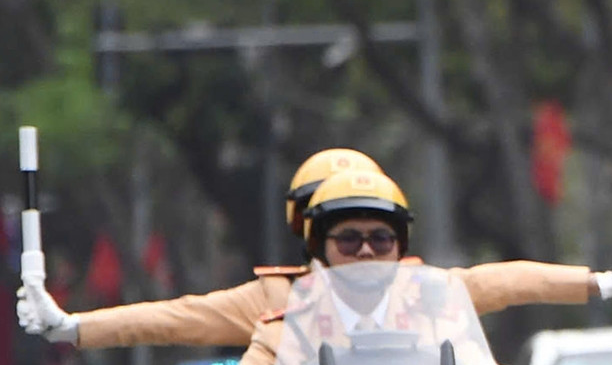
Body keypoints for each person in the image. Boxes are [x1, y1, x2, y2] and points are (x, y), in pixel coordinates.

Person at [209, 169, 612, 365]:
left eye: (381, 240)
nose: (365, 252)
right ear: (317, 249)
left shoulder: (432, 305)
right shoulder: (288, 320)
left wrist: (600, 282)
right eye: (348, 240)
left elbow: (501, 299)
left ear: (400, 249)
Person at [16, 148, 386, 349]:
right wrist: (73, 326)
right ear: (308, 230)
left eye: (379, 233)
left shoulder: (418, 292)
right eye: (343, 231)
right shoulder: (278, 300)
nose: (365, 249)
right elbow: (176, 318)